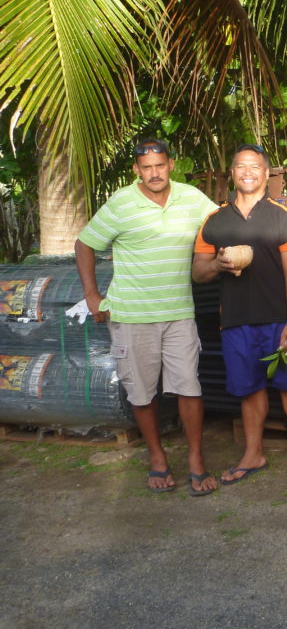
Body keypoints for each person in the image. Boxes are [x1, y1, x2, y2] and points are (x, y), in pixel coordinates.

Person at [75, 139, 218, 496]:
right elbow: (85, 243)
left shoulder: (192, 198)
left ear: (171, 165)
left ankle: (196, 460)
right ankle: (157, 456)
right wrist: (92, 295)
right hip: (131, 315)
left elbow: (221, 224)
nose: (154, 173)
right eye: (147, 167)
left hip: (179, 313)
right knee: (141, 393)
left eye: (160, 165)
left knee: (190, 387)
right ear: (137, 170)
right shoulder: (121, 202)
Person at [192, 144, 287, 483]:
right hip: (236, 322)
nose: (248, 172)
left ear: (265, 173)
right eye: (241, 166)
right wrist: (217, 265)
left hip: (278, 320)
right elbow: (198, 272)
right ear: (232, 173)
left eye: (255, 166)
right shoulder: (214, 221)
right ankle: (253, 453)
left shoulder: (282, 216)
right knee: (249, 389)